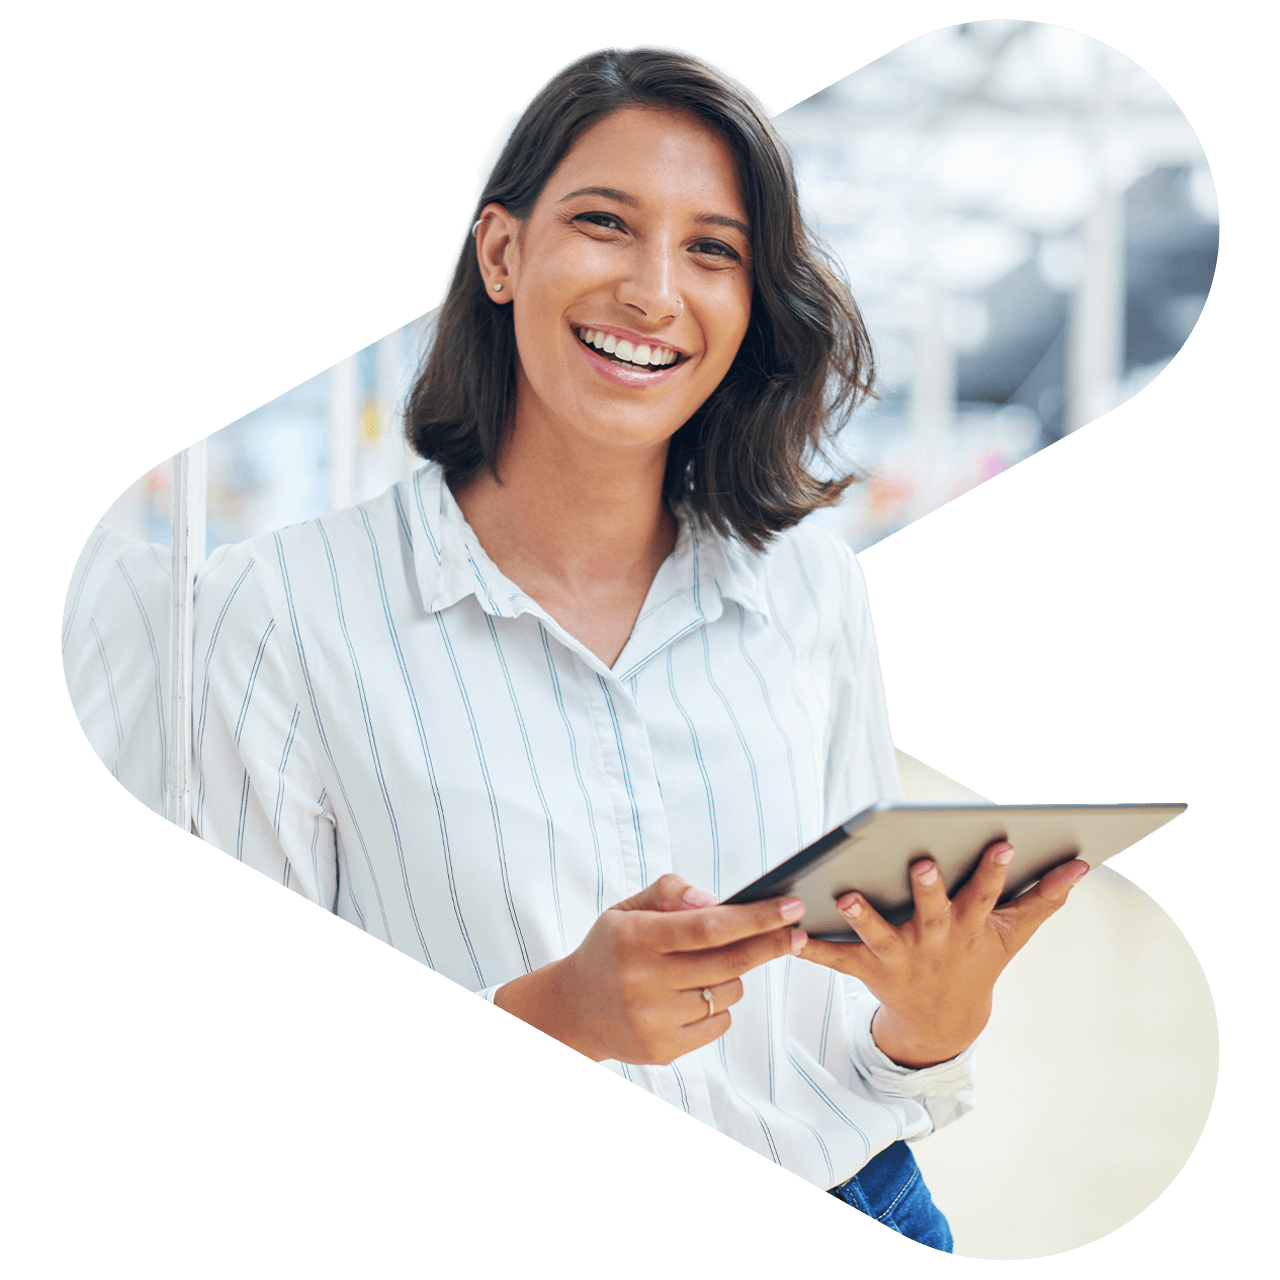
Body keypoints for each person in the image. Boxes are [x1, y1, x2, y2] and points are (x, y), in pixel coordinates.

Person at [190, 46, 1090, 1252]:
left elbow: (850, 1038)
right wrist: (551, 1012)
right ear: (500, 252)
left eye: (712, 248)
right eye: (605, 223)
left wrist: (934, 1014)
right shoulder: (277, 607)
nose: (655, 291)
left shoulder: (810, 583)